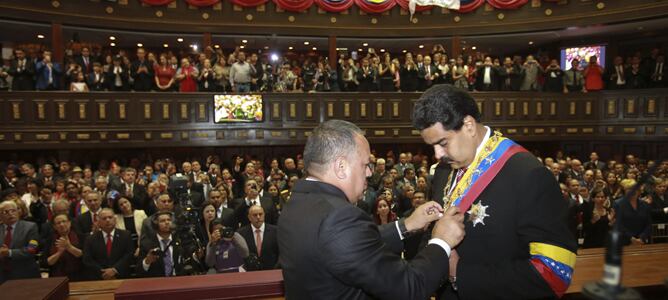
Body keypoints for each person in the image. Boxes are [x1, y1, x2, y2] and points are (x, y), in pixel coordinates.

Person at [412, 84, 577, 299]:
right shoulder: (445, 169)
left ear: (469, 125)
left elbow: (554, 272)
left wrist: (459, 274)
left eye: (443, 142)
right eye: (432, 146)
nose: (437, 154)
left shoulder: (528, 174)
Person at [278, 119, 466, 299]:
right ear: (341, 167)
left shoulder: (298, 201)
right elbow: (409, 287)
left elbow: (347, 245)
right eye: (366, 165)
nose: (369, 172)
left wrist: (406, 225)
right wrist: (441, 241)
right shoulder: (340, 217)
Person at [81, 208, 133, 280]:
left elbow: (129, 255)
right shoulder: (90, 239)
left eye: (110, 217)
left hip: (122, 276)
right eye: (104, 218)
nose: (107, 220)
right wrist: (104, 273)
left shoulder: (126, 235)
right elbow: (87, 259)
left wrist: (114, 270)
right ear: (98, 222)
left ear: (115, 219)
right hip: (99, 278)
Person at [0, 200, 40, 283]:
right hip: (2, 277)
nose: (10, 214)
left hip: (25, 274)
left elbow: (32, 249)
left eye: (13, 210)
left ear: (18, 212)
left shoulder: (31, 227)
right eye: (5, 212)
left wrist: (10, 253)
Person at [41, 213, 84, 281]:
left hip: (79, 276)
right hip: (57, 277)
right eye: (58, 223)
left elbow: (85, 256)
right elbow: (45, 262)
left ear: (69, 223)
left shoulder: (80, 236)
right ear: (54, 226)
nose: (62, 224)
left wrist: (69, 247)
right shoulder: (50, 239)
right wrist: (59, 253)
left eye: (64, 221)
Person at [238, 205, 278, 270]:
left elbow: (280, 253)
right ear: (249, 217)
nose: (258, 217)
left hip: (271, 271)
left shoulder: (275, 231)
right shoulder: (241, 233)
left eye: (260, 214)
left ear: (264, 215)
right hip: (250, 273)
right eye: (255, 215)